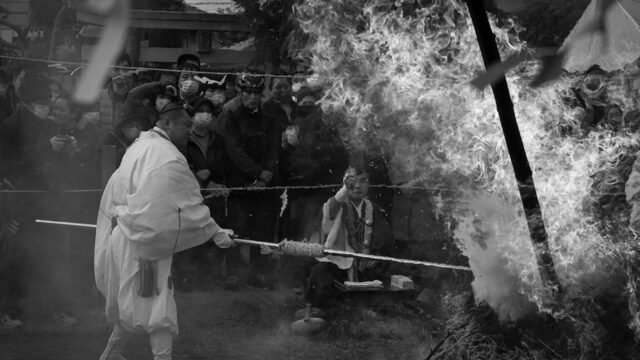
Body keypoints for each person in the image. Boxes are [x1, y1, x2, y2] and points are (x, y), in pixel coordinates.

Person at [95, 101, 235, 360]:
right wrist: (215, 232)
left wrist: (214, 230)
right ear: (166, 123)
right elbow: (182, 206)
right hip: (144, 240)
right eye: (185, 125)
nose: (190, 131)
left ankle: (110, 354)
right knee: (158, 305)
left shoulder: (141, 146)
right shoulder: (166, 156)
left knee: (133, 301)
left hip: (129, 236)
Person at [218, 72, 280, 290]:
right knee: (238, 226)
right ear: (239, 91)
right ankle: (232, 273)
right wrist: (257, 173)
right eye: (248, 92)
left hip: (265, 181)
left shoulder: (268, 112)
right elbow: (233, 150)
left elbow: (274, 145)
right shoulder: (229, 112)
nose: (253, 97)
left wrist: (268, 172)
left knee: (263, 228)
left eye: (257, 93)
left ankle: (258, 273)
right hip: (239, 181)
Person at [304, 167, 395, 307]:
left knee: (387, 271)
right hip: (339, 264)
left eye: (362, 181)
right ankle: (332, 311)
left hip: (367, 265)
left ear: (369, 184)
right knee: (320, 273)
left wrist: (376, 255)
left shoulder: (374, 209)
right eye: (352, 181)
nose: (357, 186)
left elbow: (385, 237)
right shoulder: (334, 206)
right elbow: (326, 221)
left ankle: (371, 309)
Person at [175, 98, 239, 291]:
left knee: (213, 236)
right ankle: (187, 279)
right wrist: (204, 181)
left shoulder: (217, 139)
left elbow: (223, 164)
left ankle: (209, 278)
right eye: (200, 111)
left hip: (215, 197)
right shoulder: (185, 139)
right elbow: (183, 166)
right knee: (190, 238)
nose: (205, 115)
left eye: (208, 111)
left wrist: (215, 181)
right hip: (191, 195)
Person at [98, 53, 135, 129]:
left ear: (130, 72)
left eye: (125, 69)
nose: (121, 73)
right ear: (109, 72)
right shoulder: (99, 96)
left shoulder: (136, 96)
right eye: (116, 69)